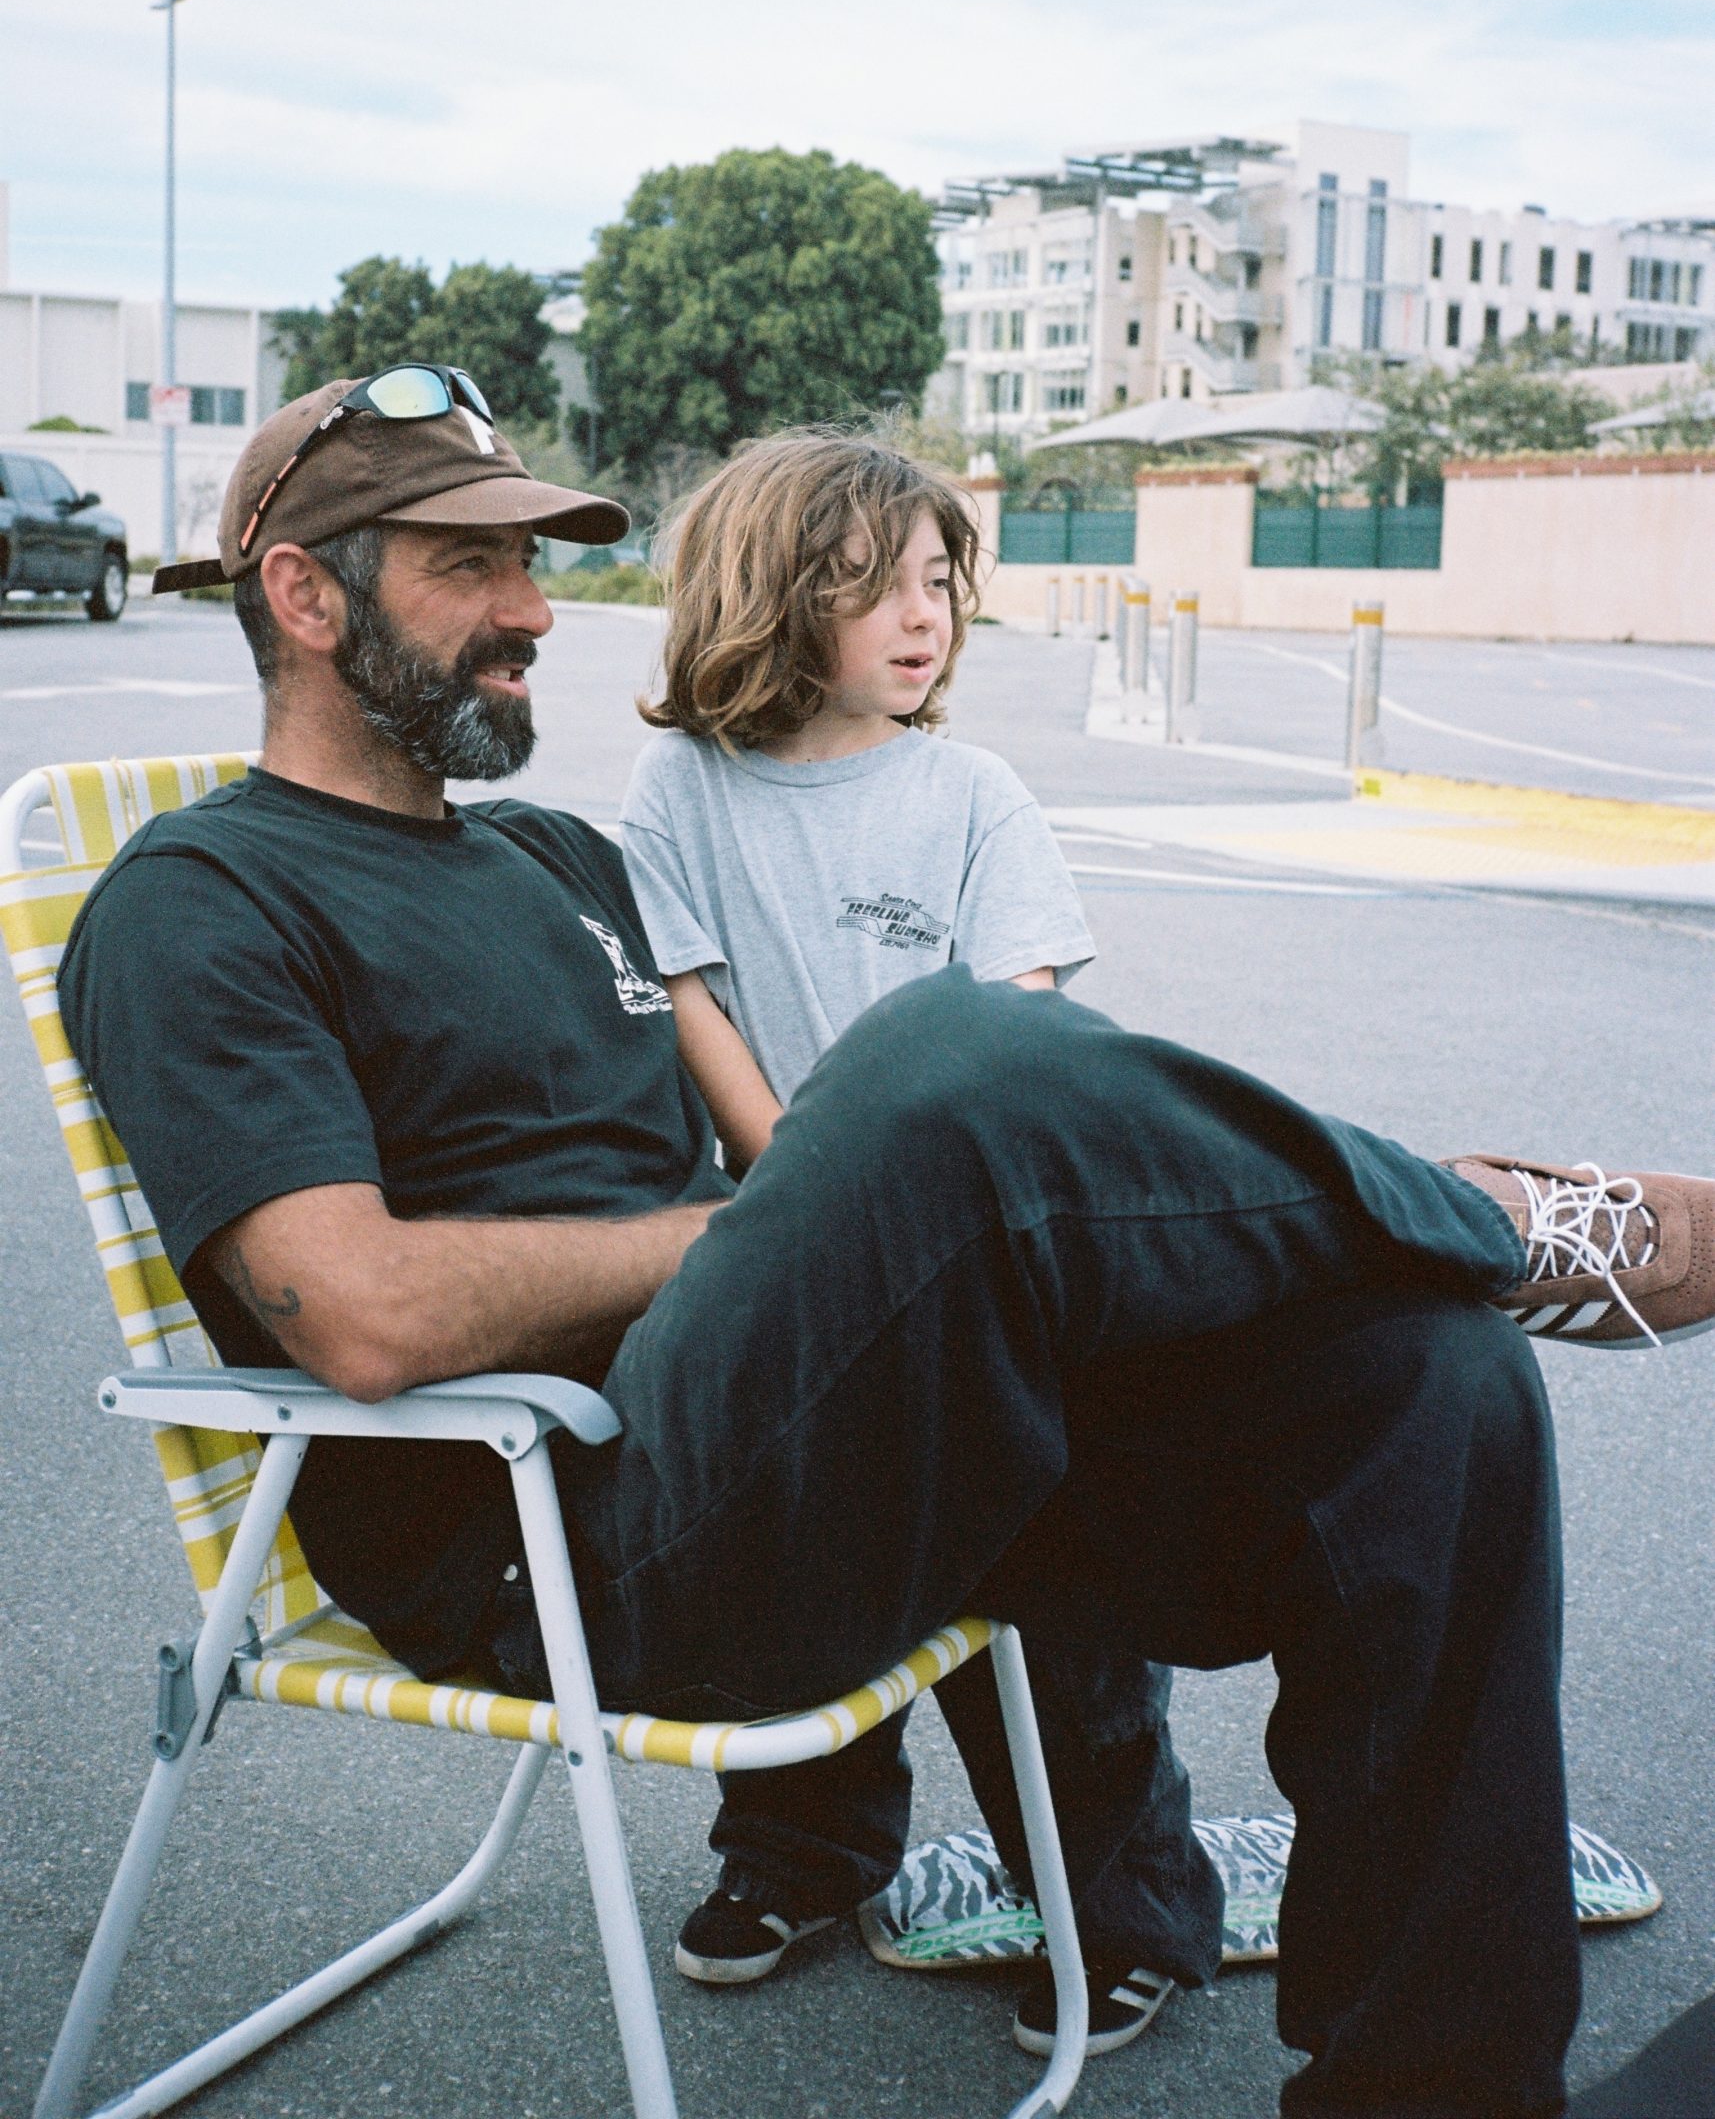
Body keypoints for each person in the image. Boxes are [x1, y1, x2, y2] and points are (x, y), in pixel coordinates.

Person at [60, 372, 1715, 2119]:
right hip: (578, 1543)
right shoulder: (200, 900)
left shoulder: (555, 857)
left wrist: (834, 1227)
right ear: (307, 597)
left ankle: (1439, 2086)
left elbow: (775, 1125)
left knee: (1428, 1387)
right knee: (943, 1058)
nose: (534, 611)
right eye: (472, 567)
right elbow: (361, 1316)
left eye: (532, 564)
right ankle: (1493, 1219)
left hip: (821, 1447)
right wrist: (757, 1232)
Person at [618, 428, 1208, 2038]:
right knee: (802, 1560)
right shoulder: (680, 791)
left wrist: (888, 1207)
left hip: (980, 1262)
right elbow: (689, 1005)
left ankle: (1120, 1907)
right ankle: (802, 1852)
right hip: (785, 1255)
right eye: (874, 585)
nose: (923, 614)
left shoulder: (971, 794)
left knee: (1052, 1583)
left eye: (941, 581)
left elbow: (1011, 1040)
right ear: (767, 593)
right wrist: (813, 1206)